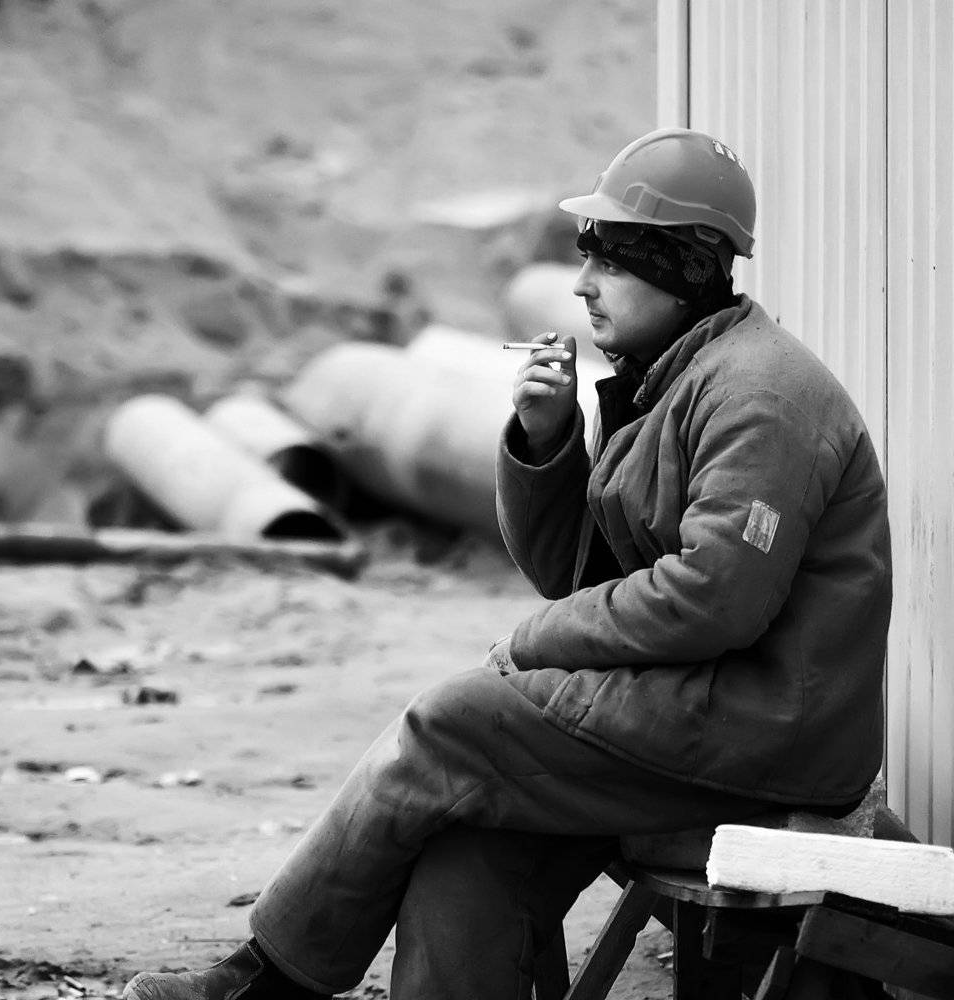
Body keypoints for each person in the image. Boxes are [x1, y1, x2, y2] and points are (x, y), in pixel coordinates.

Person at [123, 127, 892, 1000]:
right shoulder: (676, 377)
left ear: (684, 266)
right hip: (695, 707)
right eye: (586, 256)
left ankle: (265, 985)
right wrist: (546, 442)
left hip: (769, 730)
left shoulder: (761, 395)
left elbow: (714, 599)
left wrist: (532, 642)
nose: (582, 283)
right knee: (469, 856)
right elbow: (584, 577)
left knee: (449, 720)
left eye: (610, 260)